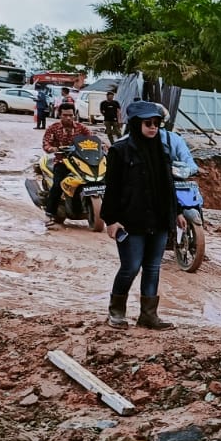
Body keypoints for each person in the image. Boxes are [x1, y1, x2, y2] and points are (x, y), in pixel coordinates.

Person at [102, 100, 183, 329]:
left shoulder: (162, 150)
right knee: (131, 267)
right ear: (136, 124)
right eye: (148, 123)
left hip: (158, 218)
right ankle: (116, 312)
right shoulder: (119, 150)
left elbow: (168, 184)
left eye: (156, 123)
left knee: (153, 267)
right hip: (131, 220)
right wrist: (111, 220)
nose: (153, 127)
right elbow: (112, 188)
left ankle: (148, 315)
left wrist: (177, 212)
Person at [41, 103, 96, 229]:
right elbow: (46, 144)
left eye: (71, 115)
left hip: (80, 163)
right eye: (65, 115)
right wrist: (53, 148)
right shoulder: (53, 128)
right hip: (62, 162)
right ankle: (49, 214)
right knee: (57, 185)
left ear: (74, 115)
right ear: (60, 115)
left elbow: (92, 139)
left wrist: (103, 146)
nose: (68, 118)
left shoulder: (81, 128)